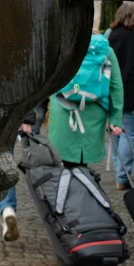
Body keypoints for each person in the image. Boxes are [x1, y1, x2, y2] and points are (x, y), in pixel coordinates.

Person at [49, 31, 124, 167]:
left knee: (64, 158)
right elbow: (116, 86)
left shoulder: (62, 46)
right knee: (83, 161)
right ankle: (81, 183)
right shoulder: (106, 51)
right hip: (94, 111)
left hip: (63, 108)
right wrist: (115, 119)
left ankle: (66, 184)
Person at [107, 2, 134, 190]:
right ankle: (122, 176)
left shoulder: (110, 36)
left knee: (115, 130)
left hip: (112, 91)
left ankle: (121, 173)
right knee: (128, 133)